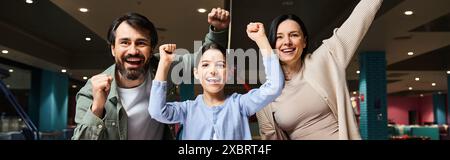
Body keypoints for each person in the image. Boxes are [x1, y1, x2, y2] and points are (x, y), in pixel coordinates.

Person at [72, 8, 230, 140]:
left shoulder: (164, 66)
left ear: (152, 48)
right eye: (125, 42)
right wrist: (97, 108)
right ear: (113, 48)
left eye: (141, 43)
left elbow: (203, 60)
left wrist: (217, 31)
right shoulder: (90, 92)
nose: (133, 50)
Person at [256, 0, 383, 140]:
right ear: (272, 44)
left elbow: (361, 16)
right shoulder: (264, 98)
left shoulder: (324, 60)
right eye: (279, 37)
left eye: (294, 35)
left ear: (304, 42)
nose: (287, 41)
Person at [148, 22, 284, 140]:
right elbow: (157, 112)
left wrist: (261, 40)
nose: (213, 71)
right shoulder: (187, 109)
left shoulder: (240, 105)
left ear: (229, 73)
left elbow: (274, 87)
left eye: (220, 65)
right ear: (196, 73)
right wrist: (164, 64)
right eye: (205, 65)